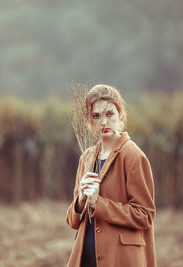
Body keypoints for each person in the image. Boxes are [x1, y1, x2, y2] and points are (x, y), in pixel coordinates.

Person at [66, 84, 156, 267]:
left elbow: (145, 216)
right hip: (86, 261)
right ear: (88, 120)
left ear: (120, 115)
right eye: (96, 116)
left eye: (109, 114)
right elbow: (72, 221)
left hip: (120, 260)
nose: (104, 122)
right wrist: (81, 200)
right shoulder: (87, 158)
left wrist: (98, 204)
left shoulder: (132, 155)